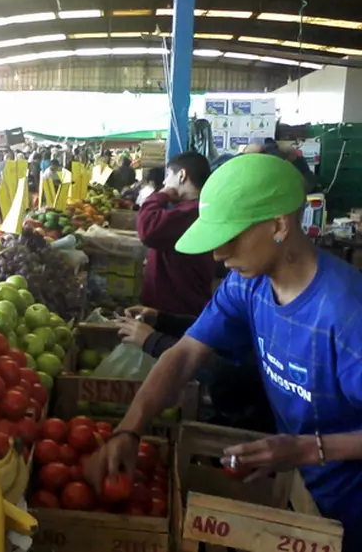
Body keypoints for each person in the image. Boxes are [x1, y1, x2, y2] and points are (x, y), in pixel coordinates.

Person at [87, 154, 362, 550]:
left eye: (230, 237)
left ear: (279, 225)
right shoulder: (247, 285)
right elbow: (184, 355)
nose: (217, 254)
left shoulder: (346, 316)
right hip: (303, 491)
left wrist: (307, 447)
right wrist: (130, 429)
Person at [116, 305, 275, 433]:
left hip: (262, 430)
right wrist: (163, 320)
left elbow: (232, 376)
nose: (217, 262)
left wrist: (154, 341)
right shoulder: (245, 285)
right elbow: (216, 328)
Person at [137, 153, 216, 317]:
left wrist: (161, 194)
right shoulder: (190, 209)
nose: (165, 182)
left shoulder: (192, 212)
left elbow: (148, 229)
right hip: (180, 306)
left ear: (182, 175)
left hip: (176, 310)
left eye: (168, 175)